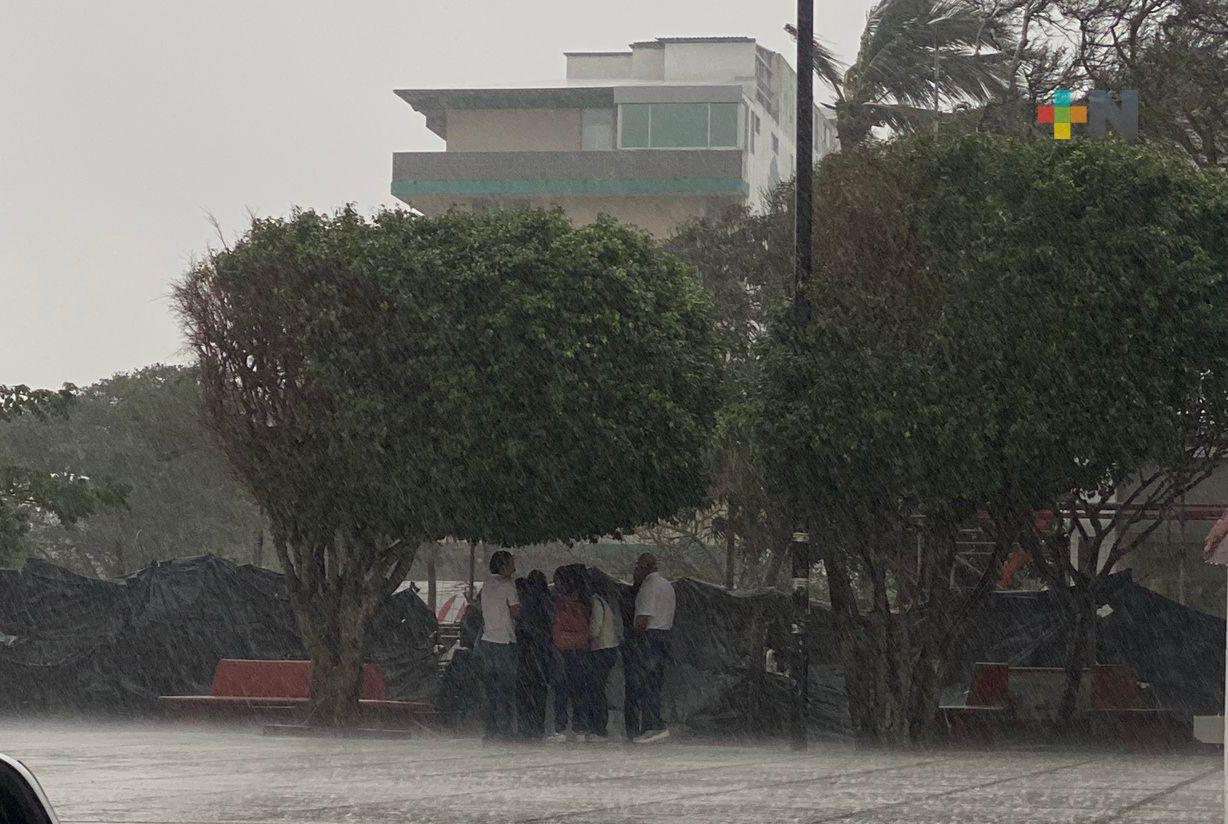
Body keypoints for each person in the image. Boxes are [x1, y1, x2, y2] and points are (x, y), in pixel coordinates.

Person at [625, 553, 675, 744]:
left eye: (637, 567)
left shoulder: (648, 587)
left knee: (646, 684)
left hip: (649, 638)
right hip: (664, 636)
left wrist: (633, 631)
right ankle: (652, 724)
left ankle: (653, 725)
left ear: (644, 567)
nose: (634, 571)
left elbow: (642, 619)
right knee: (655, 683)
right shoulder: (667, 586)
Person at [475, 550, 520, 741]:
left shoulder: (486, 585)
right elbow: (516, 611)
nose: (514, 569)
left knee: (491, 689)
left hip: (487, 641)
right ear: (503, 567)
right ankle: (506, 728)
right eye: (511, 564)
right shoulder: (508, 585)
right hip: (504, 642)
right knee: (506, 688)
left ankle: (490, 728)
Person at [548, 566, 590, 741]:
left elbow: (556, 628)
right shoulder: (582, 605)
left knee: (561, 689)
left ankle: (561, 726)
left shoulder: (559, 605)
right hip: (578, 650)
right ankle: (579, 726)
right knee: (577, 689)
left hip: (562, 650)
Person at [514, 570, 552, 740]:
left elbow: (523, 625)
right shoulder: (548, 600)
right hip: (543, 651)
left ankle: (525, 726)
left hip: (525, 650)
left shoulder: (526, 602)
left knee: (524, 690)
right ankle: (538, 727)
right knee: (539, 690)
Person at [585, 582, 621, 742]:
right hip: (608, 648)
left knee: (596, 688)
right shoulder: (602, 602)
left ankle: (599, 726)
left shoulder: (595, 603)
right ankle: (598, 725)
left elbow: (595, 629)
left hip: (602, 649)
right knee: (597, 688)